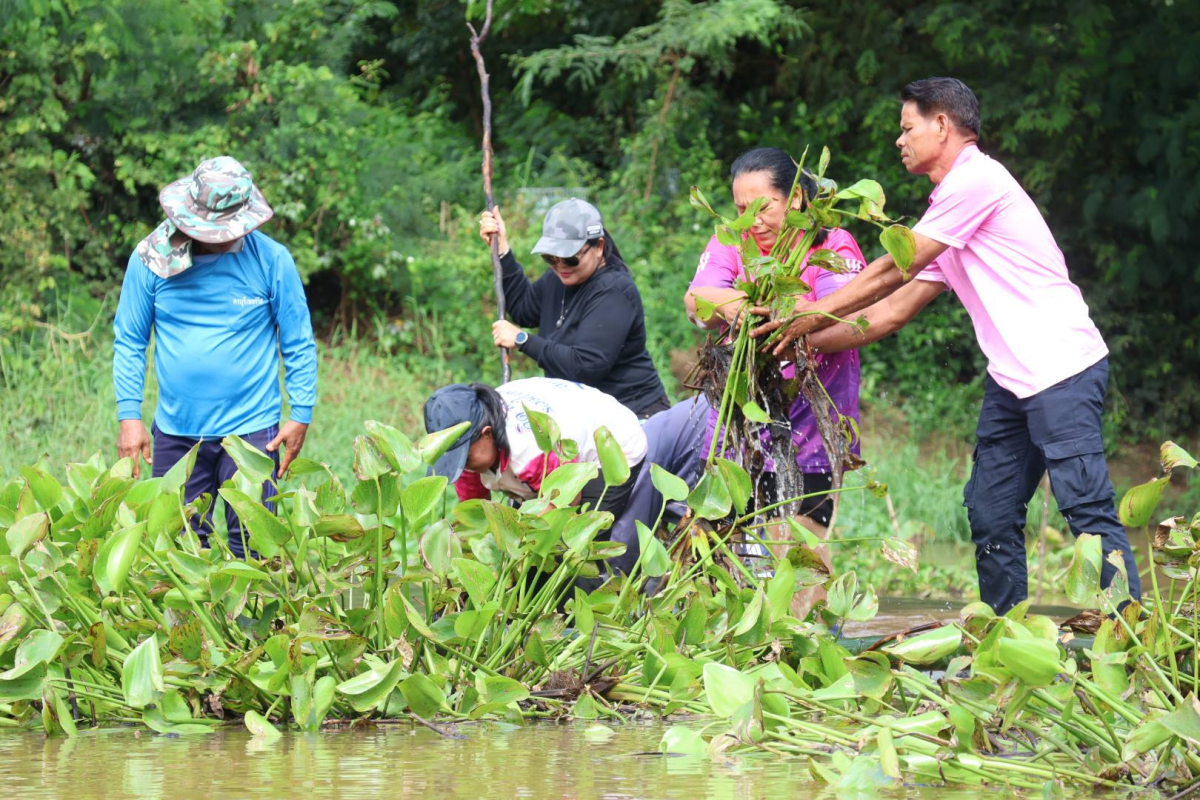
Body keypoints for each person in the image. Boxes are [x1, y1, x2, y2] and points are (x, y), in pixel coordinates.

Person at [756, 77, 1141, 614]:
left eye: (906, 127)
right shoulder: (948, 211)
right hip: (1012, 380)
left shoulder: (978, 180)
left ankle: (1133, 640)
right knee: (991, 511)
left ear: (942, 125)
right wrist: (793, 338)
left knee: (1086, 510)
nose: (899, 140)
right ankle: (1003, 637)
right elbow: (891, 311)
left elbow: (898, 264)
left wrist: (805, 312)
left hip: (1062, 369)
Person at [684, 147, 869, 612]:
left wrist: (788, 324)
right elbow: (697, 300)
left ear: (800, 200)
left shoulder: (833, 244)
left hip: (811, 424)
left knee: (800, 550)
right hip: (740, 422)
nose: (752, 221)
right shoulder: (731, 240)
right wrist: (738, 309)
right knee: (720, 545)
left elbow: (845, 316)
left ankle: (800, 642)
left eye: (763, 206)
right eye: (741, 210)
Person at [113, 156, 317, 559]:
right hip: (177, 434)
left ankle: (257, 623)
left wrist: (301, 412)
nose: (224, 237)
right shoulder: (151, 259)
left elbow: (298, 340)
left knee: (256, 549)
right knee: (182, 548)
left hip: (253, 432)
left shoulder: (272, 261)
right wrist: (129, 417)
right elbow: (130, 339)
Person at [479, 199, 669, 419]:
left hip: (633, 414)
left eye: (570, 259)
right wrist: (502, 248)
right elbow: (523, 309)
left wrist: (523, 340)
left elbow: (585, 367)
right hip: (584, 415)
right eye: (550, 258)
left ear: (598, 247)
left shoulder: (614, 290)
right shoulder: (558, 278)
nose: (560, 267)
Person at [423, 377, 647, 520]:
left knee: (570, 549)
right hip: (544, 455)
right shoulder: (467, 447)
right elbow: (476, 513)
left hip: (609, 443)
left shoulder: (529, 448)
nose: (462, 468)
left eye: (465, 458)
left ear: (487, 433)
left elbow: (565, 500)